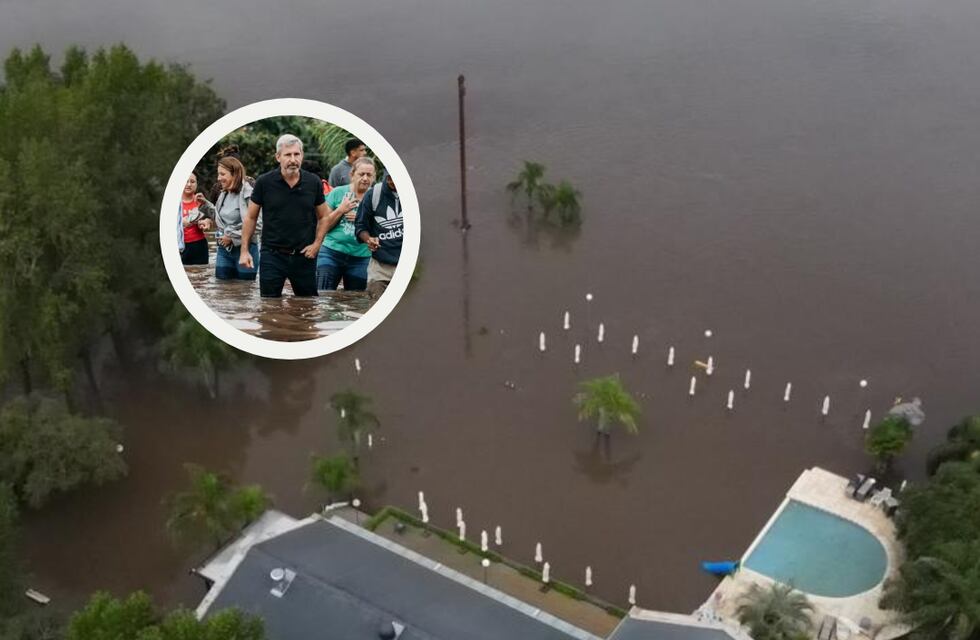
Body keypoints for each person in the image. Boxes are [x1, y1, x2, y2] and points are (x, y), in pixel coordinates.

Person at [240, 134, 330, 298]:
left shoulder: (313, 182)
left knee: (307, 305)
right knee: (269, 304)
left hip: (304, 256)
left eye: (297, 154)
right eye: (288, 155)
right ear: (278, 157)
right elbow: (250, 217)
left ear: (302, 155)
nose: (293, 160)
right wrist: (244, 251)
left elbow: (324, 216)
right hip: (272, 255)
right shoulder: (264, 182)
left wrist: (317, 245)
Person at [316, 157, 376, 291]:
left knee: (355, 300)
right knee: (323, 296)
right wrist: (340, 210)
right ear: (352, 175)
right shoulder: (337, 193)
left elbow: (383, 230)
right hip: (331, 252)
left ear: (373, 177)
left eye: (369, 175)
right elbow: (322, 226)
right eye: (361, 174)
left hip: (361, 257)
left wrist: (361, 220)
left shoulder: (376, 197)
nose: (365, 178)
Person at [355, 170, 402, 299]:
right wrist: (369, 239)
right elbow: (360, 226)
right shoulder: (374, 194)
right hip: (380, 268)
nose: (392, 182)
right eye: (390, 178)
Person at [213, 156, 260, 281]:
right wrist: (205, 206)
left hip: (247, 249)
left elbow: (258, 225)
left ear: (234, 174)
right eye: (218, 174)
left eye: (222, 174)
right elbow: (220, 219)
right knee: (221, 288)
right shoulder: (223, 193)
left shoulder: (249, 193)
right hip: (224, 249)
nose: (218, 178)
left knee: (245, 289)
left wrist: (232, 237)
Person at [180, 173, 215, 265]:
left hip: (199, 245)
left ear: (196, 184)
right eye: (186, 181)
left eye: (192, 182)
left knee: (201, 272)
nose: (189, 184)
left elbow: (212, 219)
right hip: (180, 245)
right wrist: (180, 222)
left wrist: (207, 222)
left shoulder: (201, 201)